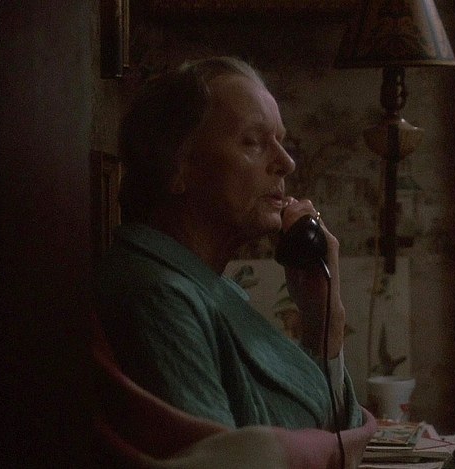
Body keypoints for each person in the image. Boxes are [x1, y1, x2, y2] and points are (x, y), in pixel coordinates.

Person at [94, 56, 367, 437]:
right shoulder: (157, 294)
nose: (286, 163)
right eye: (253, 142)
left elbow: (331, 428)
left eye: (281, 141)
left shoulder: (208, 288)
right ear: (177, 167)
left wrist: (325, 323)